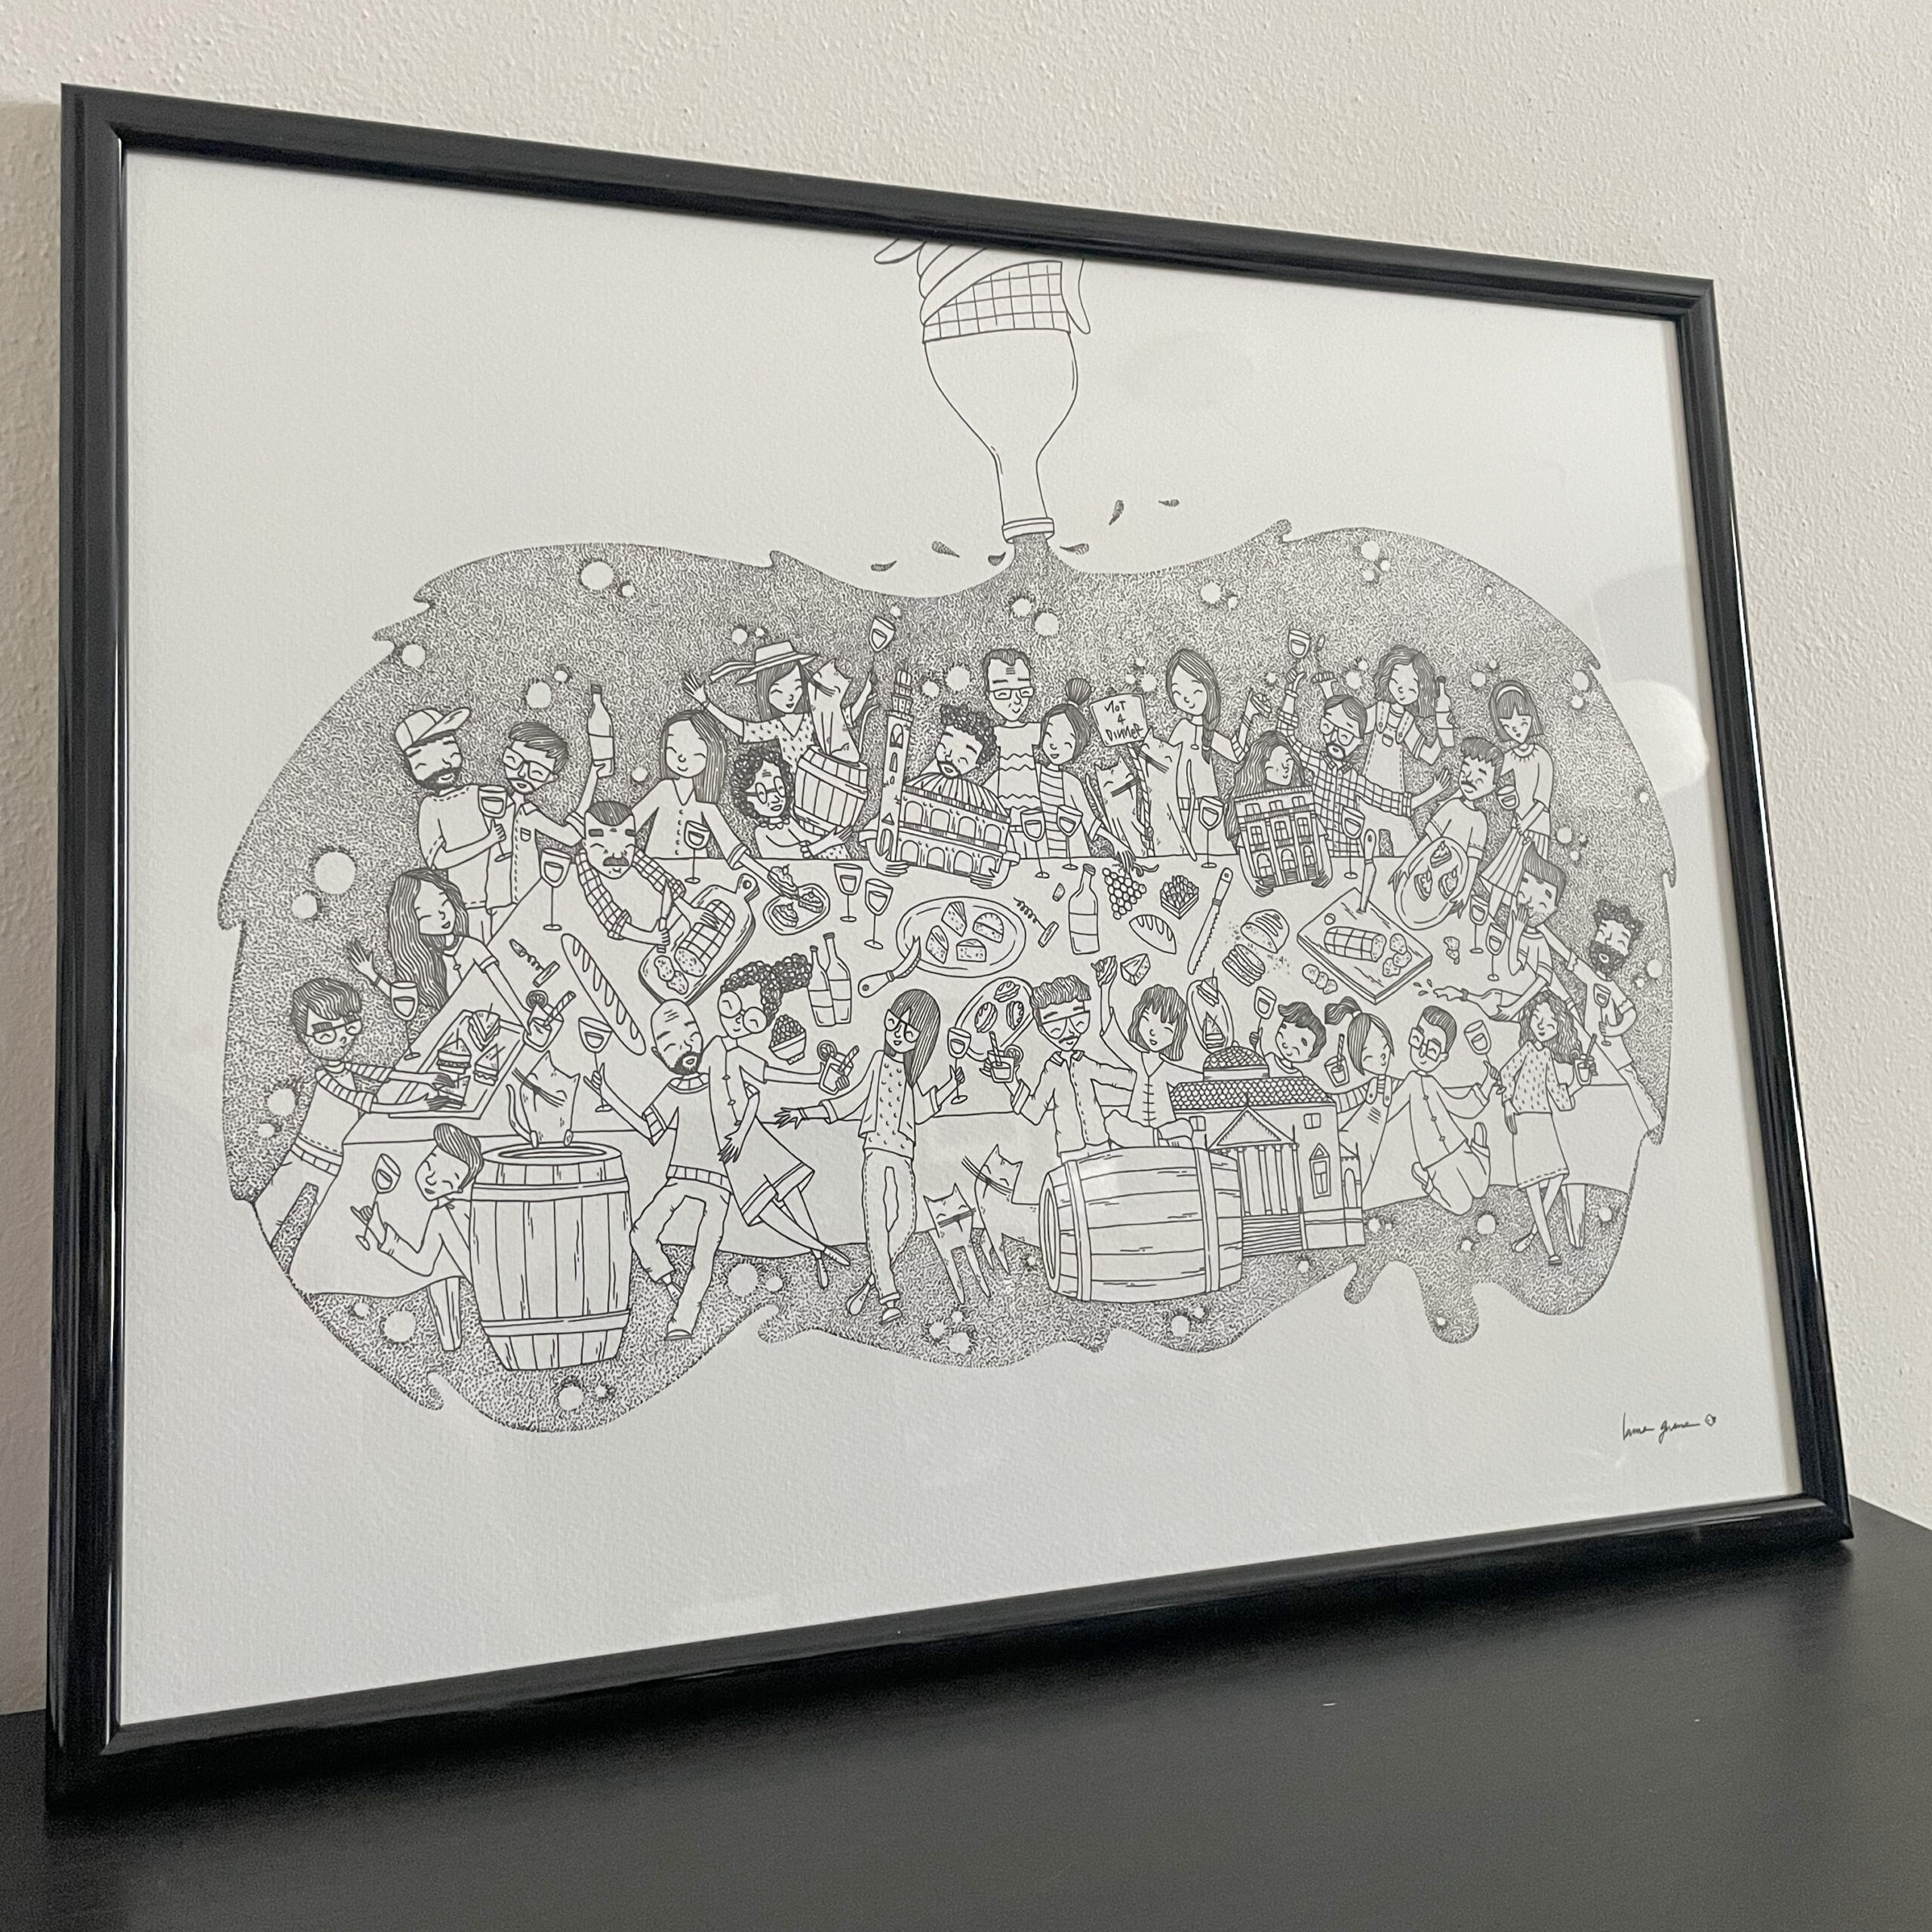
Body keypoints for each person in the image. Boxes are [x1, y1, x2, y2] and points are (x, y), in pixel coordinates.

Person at [778, 989, 961, 1324]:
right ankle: (889, 1296)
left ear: (921, 1041)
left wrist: (950, 1087)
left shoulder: (911, 1078)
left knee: (906, 1221)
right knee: (877, 1222)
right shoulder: (879, 1062)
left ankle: (872, 1279)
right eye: (894, 1023)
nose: (898, 1034)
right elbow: (851, 1100)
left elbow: (920, 1111)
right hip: (876, 1149)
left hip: (903, 1153)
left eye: (909, 1032)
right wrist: (805, 1112)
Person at [588, 1000, 733, 1341]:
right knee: (641, 1233)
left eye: (691, 1035)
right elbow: (650, 1129)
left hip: (720, 1181)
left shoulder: (720, 1081)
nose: (686, 1047)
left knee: (704, 1255)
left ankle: (683, 1320)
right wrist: (610, 1095)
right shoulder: (673, 1090)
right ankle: (668, 1282)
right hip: (681, 1176)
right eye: (671, 1045)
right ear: (658, 1054)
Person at [251, 978, 421, 1267]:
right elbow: (361, 1101)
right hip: (307, 1154)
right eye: (325, 1034)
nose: (342, 1039)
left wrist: (424, 1078)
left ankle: (296, 1268)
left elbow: (379, 1073)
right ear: (304, 1037)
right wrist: (414, 1106)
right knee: (271, 1214)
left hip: (335, 1160)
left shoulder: (344, 1067)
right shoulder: (324, 1076)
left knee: (319, 1222)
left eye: (350, 1027)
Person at [711, 953, 846, 1287]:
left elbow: (770, 1079)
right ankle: (820, 1249)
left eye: (751, 1019)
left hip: (745, 1138)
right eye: (731, 1007)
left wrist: (818, 1079)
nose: (737, 1021)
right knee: (762, 1206)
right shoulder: (714, 1048)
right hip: (731, 1146)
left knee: (789, 1190)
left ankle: (818, 1254)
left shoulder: (740, 1054)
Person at [359, 1123, 483, 1352]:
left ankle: (451, 1342)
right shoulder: (446, 1211)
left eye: (448, 1179)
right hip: (488, 1279)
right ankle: (451, 1342)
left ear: (459, 1188)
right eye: (430, 1165)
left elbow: (423, 1265)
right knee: (443, 1269)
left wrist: (384, 1237)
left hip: (493, 1284)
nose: (432, 1180)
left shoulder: (446, 1215)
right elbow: (425, 1264)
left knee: (442, 1270)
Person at [346, 869, 519, 1029]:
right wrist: (372, 975)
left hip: (496, 1020)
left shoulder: (472, 947)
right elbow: (403, 998)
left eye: (444, 902)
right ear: (410, 924)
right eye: (426, 914)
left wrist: (523, 1016)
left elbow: (503, 986)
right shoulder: (423, 962)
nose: (442, 914)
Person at [629, 709, 778, 890]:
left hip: (696, 875)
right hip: (657, 872)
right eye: (673, 749)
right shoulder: (664, 789)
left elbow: (730, 845)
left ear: (711, 754)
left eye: (693, 751)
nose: (681, 757)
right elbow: (630, 824)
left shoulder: (704, 802)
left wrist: (765, 874)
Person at [1497, 987, 1586, 1265]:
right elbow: (1505, 1075)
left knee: (1558, 1174)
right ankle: (1551, 1252)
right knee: (1534, 1187)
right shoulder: (1526, 1050)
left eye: (1549, 1022)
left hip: (1544, 1121)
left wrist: (1578, 1082)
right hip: (1524, 1121)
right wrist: (1507, 1103)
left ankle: (1534, 1233)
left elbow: (1558, 1095)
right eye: (1537, 1018)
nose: (1541, 1025)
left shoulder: (1547, 1056)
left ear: (1559, 1028)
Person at [995, 974, 1125, 1164]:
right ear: (1042, 1029)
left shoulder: (1085, 1063)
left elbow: (1116, 1077)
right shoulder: (1053, 1070)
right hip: (1071, 1150)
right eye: (1056, 1026)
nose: (1069, 1031)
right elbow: (1035, 1112)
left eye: (1078, 1021)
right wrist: (1011, 1082)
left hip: (1101, 1143)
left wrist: (1151, 1083)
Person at [486, 719, 600, 934]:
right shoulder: (492, 803)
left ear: (550, 778)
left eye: (537, 772)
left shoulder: (530, 814)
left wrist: (593, 778)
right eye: (514, 761)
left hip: (529, 894)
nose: (522, 774)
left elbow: (570, 837)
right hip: (497, 896)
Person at [1382, 1006, 1493, 1215]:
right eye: (1418, 1040)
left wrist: (1488, 1083)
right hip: (1434, 1159)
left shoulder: (1433, 1083)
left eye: (1432, 1049)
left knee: (1480, 1187)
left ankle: (1480, 1148)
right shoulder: (1411, 1082)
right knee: (1461, 1206)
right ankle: (1427, 1183)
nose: (1422, 1052)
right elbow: (1390, 1108)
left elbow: (1461, 1106)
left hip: (1458, 1145)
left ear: (1442, 1057)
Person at [399, 706, 498, 929]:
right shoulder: (431, 807)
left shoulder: (475, 792)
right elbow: (438, 860)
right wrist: (487, 841)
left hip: (501, 893)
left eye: (448, 748)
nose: (444, 764)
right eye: (426, 759)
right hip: (468, 898)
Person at [1146, 648, 1248, 864]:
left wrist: (1248, 717)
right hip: (1183, 808)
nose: (1187, 699)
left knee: (1218, 858)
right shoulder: (1182, 728)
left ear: (1208, 687)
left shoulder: (1207, 732)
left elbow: (1236, 753)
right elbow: (1166, 763)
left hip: (1208, 809)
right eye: (1178, 693)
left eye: (1195, 691)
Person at [1391, 736, 1497, 922]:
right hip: (1427, 867)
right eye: (1466, 771)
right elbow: (1428, 840)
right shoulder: (1451, 807)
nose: (1470, 779)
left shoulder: (1480, 822)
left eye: (1480, 776)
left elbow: (1472, 863)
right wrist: (1407, 865)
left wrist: (1465, 892)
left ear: (1492, 786)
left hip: (1452, 883)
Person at [1361, 647, 1454, 857]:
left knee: (1408, 850)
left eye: (1411, 687)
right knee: (1363, 850)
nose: (1402, 691)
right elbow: (1354, 726)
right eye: (1397, 682)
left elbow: (1429, 755)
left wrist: (1442, 737)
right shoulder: (1380, 710)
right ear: (1387, 679)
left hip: (1395, 795)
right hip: (1367, 793)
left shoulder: (1407, 722)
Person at [1474, 679, 1555, 912]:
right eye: (1509, 726)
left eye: (1522, 722)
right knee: (1504, 872)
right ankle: (1490, 916)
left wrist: (1526, 823)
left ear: (1532, 718)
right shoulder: (1511, 756)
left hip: (1536, 828)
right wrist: (1502, 796)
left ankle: (1514, 924)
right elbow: (1492, 776)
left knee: (1525, 881)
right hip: (1518, 825)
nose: (1517, 730)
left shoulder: (1542, 757)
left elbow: (1542, 802)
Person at [1095, 968, 1193, 1146]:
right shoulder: (1135, 1058)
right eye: (1147, 1020)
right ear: (1139, 1017)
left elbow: (1199, 1079)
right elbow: (1111, 1035)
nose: (1154, 1033)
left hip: (1162, 1130)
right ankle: (1154, 1139)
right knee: (1112, 1121)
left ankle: (1154, 1138)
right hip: (1137, 1130)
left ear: (1176, 1035)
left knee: (1184, 1127)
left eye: (1167, 1029)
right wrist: (1105, 989)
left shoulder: (1169, 1070)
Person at [1034, 677, 1124, 861]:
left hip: (1068, 858)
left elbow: (1089, 820)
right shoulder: (1032, 772)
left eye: (1066, 743)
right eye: (1050, 735)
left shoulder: (1071, 783)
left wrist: (1116, 842)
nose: (1055, 746)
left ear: (1077, 748)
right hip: (1037, 854)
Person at [571, 800, 687, 941]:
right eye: (604, 849)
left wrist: (689, 910)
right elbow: (606, 910)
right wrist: (651, 938)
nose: (617, 855)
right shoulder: (584, 861)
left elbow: (659, 877)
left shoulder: (634, 852)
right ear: (586, 845)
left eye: (625, 848)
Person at [1326, 997, 1402, 1175]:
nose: (1382, 1059)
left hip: (1378, 1143)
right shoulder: (1368, 1088)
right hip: (1357, 1140)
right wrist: (1317, 1097)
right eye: (1369, 1057)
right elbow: (1343, 1101)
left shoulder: (1395, 1085)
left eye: (1384, 1048)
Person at [730, 746, 842, 863]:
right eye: (762, 794)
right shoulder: (762, 833)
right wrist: (824, 844)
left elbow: (809, 837)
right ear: (746, 799)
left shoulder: (789, 823)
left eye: (779, 788)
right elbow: (782, 855)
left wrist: (832, 837)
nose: (775, 798)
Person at [1258, 998, 1327, 1078]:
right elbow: (1260, 1056)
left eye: (1303, 1042)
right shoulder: (1272, 1059)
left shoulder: (1298, 1076)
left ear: (1309, 1057)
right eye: (1284, 1027)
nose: (1288, 1043)